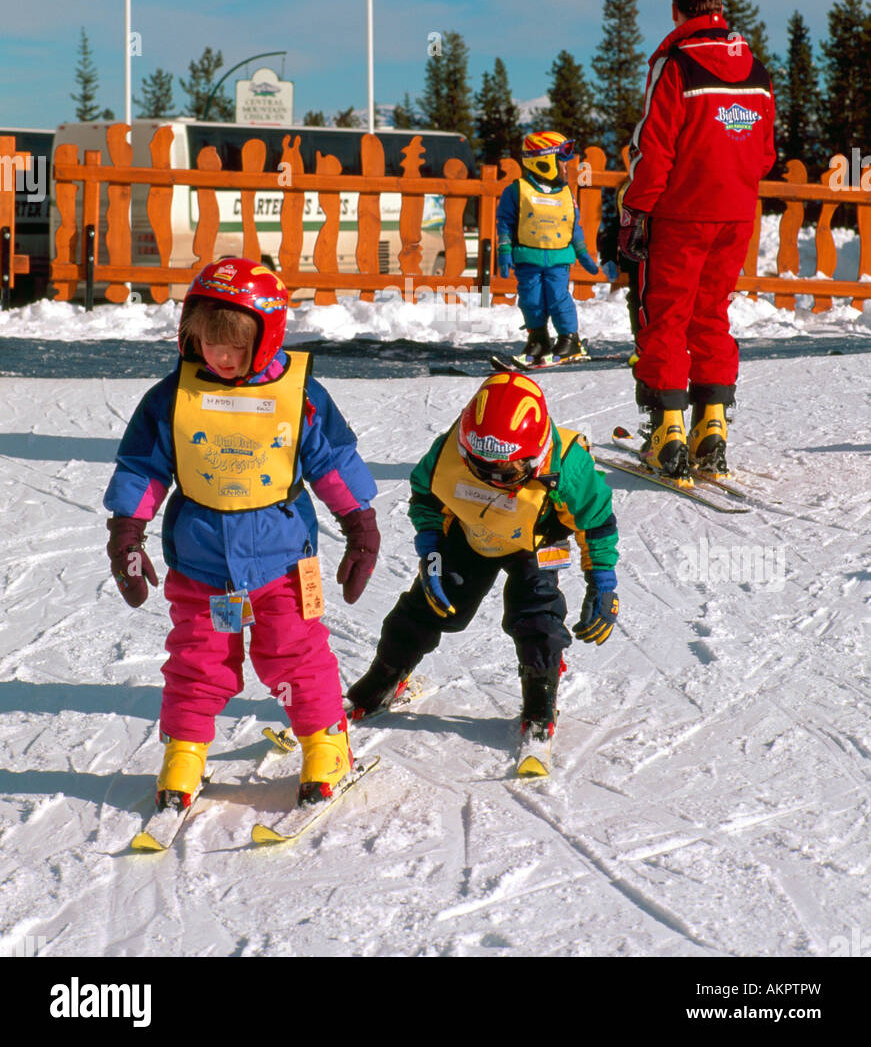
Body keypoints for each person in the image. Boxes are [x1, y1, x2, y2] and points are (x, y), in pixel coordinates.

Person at [103, 258, 381, 809]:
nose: (219, 357)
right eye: (208, 342)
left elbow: (333, 463)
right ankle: (185, 748)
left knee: (295, 655)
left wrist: (360, 525)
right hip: (202, 565)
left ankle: (327, 740)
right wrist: (127, 534)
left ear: (266, 337)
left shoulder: (299, 395)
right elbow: (143, 468)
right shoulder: (172, 397)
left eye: (233, 347)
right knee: (198, 659)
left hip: (282, 564)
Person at [345, 371, 620, 747]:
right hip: (473, 533)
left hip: (538, 539)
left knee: (537, 614)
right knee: (430, 606)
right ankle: (387, 674)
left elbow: (596, 521)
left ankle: (541, 693)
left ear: (535, 454)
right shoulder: (448, 451)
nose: (492, 478)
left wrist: (602, 581)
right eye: (479, 467)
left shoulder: (569, 465)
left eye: (506, 472)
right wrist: (432, 549)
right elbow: (426, 498)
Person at [618, 0, 776, 481]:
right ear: (719, 8)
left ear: (675, 10)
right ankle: (712, 427)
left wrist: (636, 209)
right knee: (712, 313)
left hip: (683, 212)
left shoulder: (677, 64)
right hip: (735, 213)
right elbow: (766, 154)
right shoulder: (758, 71)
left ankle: (666, 434)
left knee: (666, 314)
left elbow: (655, 147)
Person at [496, 130, 601, 362]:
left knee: (557, 297)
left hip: (558, 260)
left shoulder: (566, 194)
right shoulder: (516, 191)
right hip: (528, 259)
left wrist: (583, 254)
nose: (567, 166)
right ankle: (539, 339)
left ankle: (569, 339)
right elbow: (504, 222)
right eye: (561, 160)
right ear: (544, 161)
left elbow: (574, 226)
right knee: (531, 299)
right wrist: (504, 252)